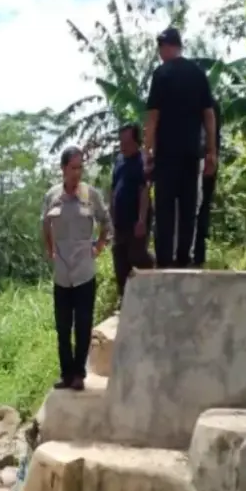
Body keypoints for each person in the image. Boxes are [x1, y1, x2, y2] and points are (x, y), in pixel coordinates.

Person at [143, 27, 217, 269]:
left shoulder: (161, 73)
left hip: (167, 156)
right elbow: (209, 116)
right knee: (187, 210)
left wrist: (148, 152)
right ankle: (184, 259)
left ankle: (165, 262)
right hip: (190, 155)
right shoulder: (198, 74)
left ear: (166, 47)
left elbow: (153, 117)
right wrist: (211, 152)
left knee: (165, 210)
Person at [40, 147, 112, 392]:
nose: (77, 173)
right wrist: (50, 250)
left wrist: (99, 246)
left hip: (84, 271)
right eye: (73, 168)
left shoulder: (90, 194)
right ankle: (66, 374)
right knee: (62, 328)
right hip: (61, 273)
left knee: (82, 326)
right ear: (63, 169)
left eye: (80, 167)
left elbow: (106, 222)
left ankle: (79, 374)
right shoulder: (52, 196)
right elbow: (45, 224)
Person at [110, 122, 154, 303]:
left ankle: (154, 270)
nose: (122, 145)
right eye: (121, 142)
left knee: (136, 255)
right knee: (119, 259)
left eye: (126, 142)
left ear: (136, 142)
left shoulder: (142, 160)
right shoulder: (120, 159)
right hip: (119, 220)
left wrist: (141, 220)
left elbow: (144, 190)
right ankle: (125, 299)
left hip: (136, 218)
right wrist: (110, 216)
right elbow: (113, 189)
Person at [193, 97, 222, 268]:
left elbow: (214, 137)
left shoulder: (210, 105)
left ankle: (197, 257)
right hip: (193, 164)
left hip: (204, 164)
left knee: (201, 212)